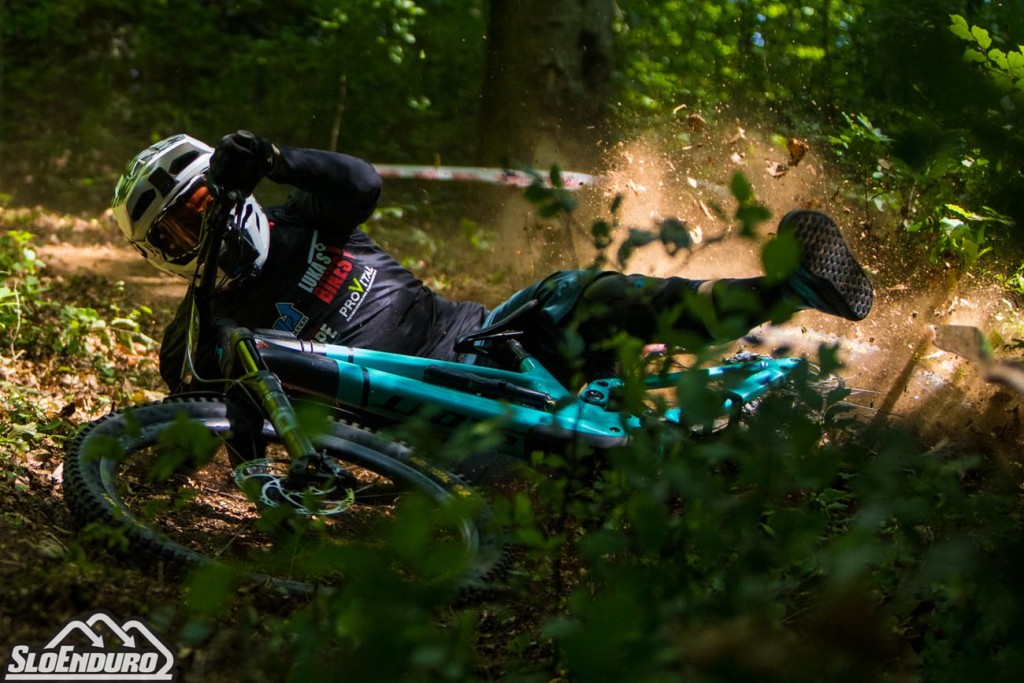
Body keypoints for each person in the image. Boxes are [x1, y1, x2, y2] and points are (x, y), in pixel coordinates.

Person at [111, 132, 873, 392]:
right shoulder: (208, 320)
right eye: (179, 233)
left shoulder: (304, 217)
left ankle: (789, 289)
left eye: (201, 203)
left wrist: (278, 159)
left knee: (584, 295)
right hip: (420, 420)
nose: (202, 229)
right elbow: (184, 377)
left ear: (229, 186)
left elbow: (363, 183)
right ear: (164, 256)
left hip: (484, 340)